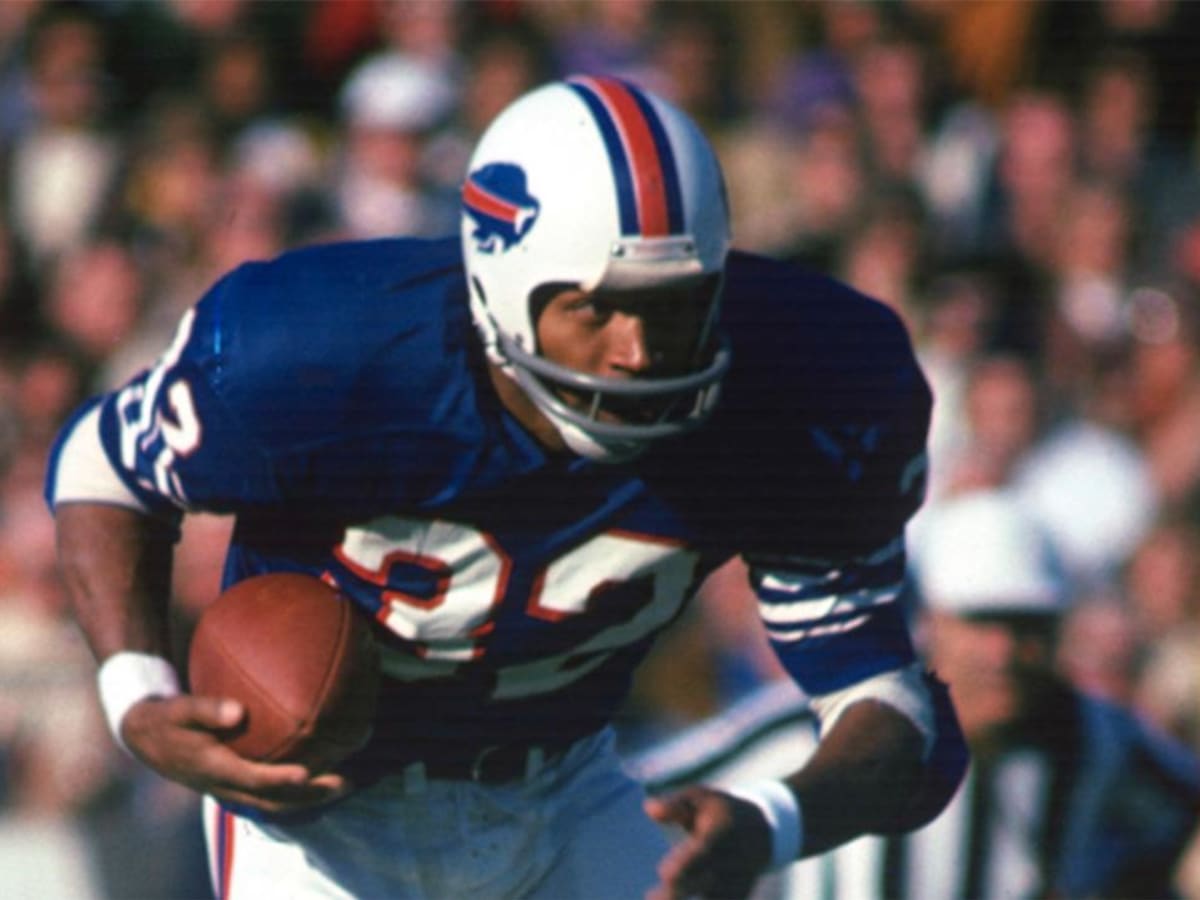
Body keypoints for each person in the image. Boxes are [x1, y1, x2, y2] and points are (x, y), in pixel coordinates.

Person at [45, 75, 966, 899]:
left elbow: (891, 713)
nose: (637, 352)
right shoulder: (321, 351)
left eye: (673, 305)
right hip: (324, 819)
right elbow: (101, 470)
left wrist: (775, 820)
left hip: (568, 791)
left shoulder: (812, 379)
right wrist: (135, 694)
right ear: (504, 283)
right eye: (595, 308)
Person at [632, 489, 1200, 899]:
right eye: (981, 622)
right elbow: (639, 790)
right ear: (930, 621)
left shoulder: (1093, 734)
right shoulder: (818, 725)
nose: (1002, 652)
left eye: (1026, 625)